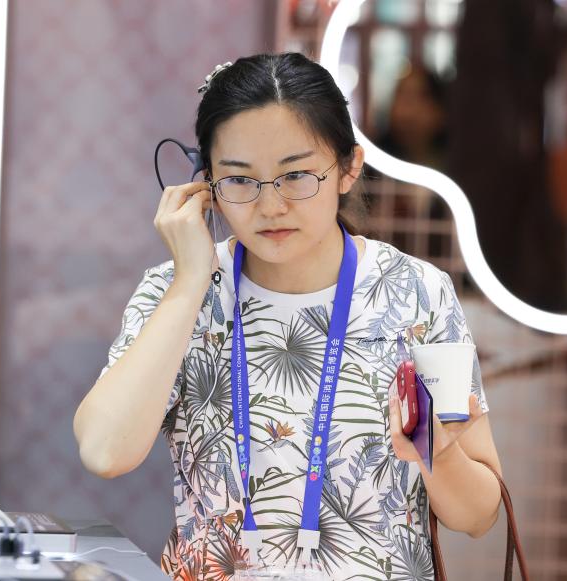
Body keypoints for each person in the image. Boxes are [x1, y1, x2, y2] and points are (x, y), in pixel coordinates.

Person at [73, 53, 503, 580]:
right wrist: (189, 284)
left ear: (348, 167)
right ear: (206, 185)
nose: (271, 206)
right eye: (239, 180)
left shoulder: (416, 294)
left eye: (296, 175)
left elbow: (478, 517)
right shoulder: (174, 290)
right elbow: (104, 451)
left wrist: (434, 450)